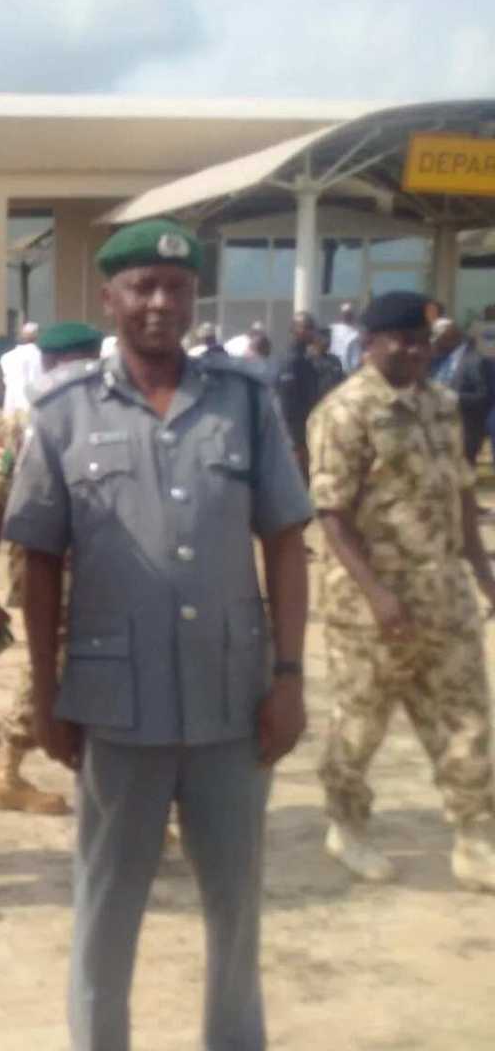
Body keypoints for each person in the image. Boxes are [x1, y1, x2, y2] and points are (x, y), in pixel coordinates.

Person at [4, 217, 311, 1051]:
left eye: (176, 287)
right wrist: (45, 691)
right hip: (115, 709)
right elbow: (38, 561)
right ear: (109, 297)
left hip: (232, 703)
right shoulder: (63, 414)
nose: (160, 303)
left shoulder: (244, 402)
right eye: (141, 286)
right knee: (107, 910)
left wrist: (289, 676)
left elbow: (285, 540)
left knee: (235, 912)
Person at [308, 291, 495, 892]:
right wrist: (377, 594)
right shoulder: (344, 412)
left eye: (421, 339)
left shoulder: (443, 405)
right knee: (360, 724)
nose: (414, 350)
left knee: (468, 717)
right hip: (370, 608)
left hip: (445, 595)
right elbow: (331, 514)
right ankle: (347, 828)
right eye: (401, 340)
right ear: (369, 344)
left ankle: (473, 836)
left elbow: (462, 493)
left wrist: (484, 572)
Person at [0, 321, 105, 815]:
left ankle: (7, 771)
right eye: (78, 360)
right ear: (49, 363)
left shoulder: (111, 412)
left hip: (101, 571)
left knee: (67, 666)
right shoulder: (24, 422)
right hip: (51, 571)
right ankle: (8, 771)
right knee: (60, 666)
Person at [430, 316, 491, 464]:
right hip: (436, 430)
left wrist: (452, 397)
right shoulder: (435, 360)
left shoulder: (476, 362)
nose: (434, 342)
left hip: (464, 431)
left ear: (452, 337)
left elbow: (484, 398)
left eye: (438, 338)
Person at [275, 310, 321, 483]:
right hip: (296, 435)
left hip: (307, 430)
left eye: (312, 327)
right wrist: (296, 441)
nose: (312, 331)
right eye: (307, 327)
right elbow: (287, 404)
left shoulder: (305, 359)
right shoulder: (291, 360)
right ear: (294, 330)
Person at [0, 321, 42, 415]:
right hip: (33, 405)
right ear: (37, 336)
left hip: (12, 405)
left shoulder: (7, 357)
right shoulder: (42, 356)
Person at [310, 325, 346, 399]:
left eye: (329, 337)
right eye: (325, 338)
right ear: (316, 339)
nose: (329, 341)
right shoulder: (309, 361)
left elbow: (341, 381)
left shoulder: (335, 360)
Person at [331, 300, 361, 371]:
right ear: (341, 315)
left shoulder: (357, 332)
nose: (347, 316)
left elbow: (356, 354)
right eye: (345, 314)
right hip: (335, 369)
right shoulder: (333, 329)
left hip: (351, 371)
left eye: (349, 314)